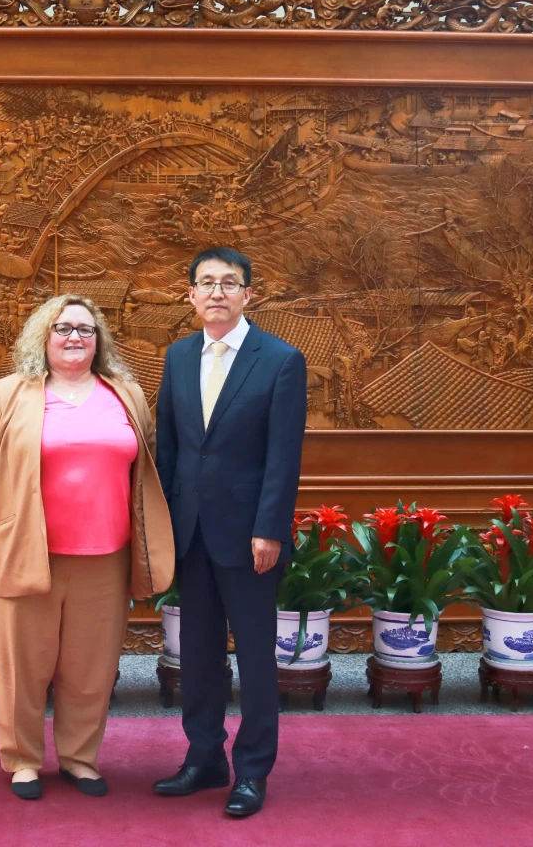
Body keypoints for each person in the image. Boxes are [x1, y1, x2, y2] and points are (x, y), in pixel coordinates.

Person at [0, 294, 175, 801]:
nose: (75, 337)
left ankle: (79, 759)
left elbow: (147, 471)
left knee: (90, 671)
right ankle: (24, 761)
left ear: (99, 340)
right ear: (43, 338)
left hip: (106, 558)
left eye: (86, 329)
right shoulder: (8, 394)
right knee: (22, 667)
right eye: (63, 328)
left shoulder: (127, 394)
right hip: (24, 552)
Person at [152, 247, 307, 817]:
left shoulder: (281, 360)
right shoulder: (177, 356)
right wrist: (165, 524)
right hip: (191, 533)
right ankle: (204, 758)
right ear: (189, 294)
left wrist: (269, 528)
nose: (216, 292)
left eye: (229, 283)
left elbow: (281, 457)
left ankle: (252, 771)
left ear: (249, 294)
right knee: (196, 652)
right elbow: (170, 448)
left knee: (256, 659)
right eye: (206, 283)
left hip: (250, 539)